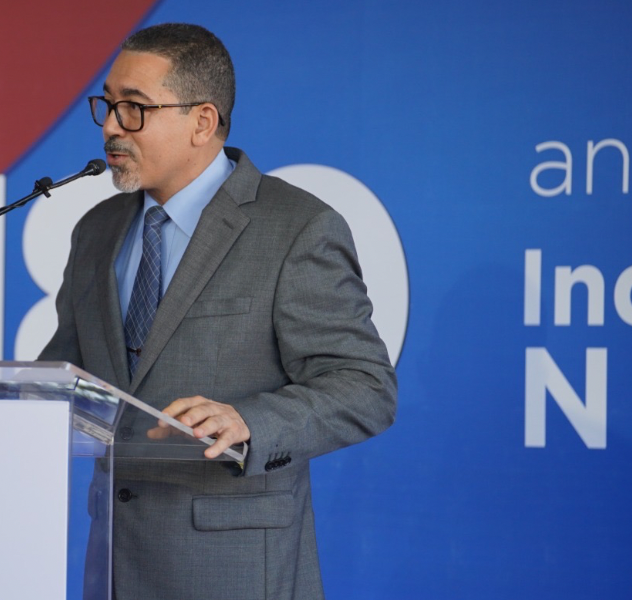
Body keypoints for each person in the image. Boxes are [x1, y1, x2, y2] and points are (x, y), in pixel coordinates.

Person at [39, 23, 397, 599]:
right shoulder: (96, 231)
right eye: (107, 105)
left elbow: (365, 387)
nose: (110, 126)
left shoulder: (295, 228)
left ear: (202, 122)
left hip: (234, 570)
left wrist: (249, 421)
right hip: (114, 568)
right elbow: (65, 375)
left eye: (134, 108)